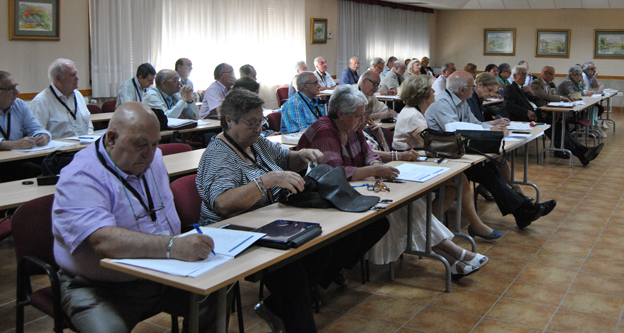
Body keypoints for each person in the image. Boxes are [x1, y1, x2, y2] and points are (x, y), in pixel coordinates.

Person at [53, 102, 218, 332]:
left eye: (154, 144)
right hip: (99, 286)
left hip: (160, 271)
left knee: (216, 291)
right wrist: (172, 246)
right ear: (111, 138)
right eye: (141, 144)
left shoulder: (153, 159)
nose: (149, 154)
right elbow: (102, 241)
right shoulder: (81, 175)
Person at [195, 88, 328, 333]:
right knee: (293, 275)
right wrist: (265, 182)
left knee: (321, 248)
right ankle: (286, 313)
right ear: (229, 121)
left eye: (261, 121)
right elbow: (223, 204)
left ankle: (276, 307)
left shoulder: (257, 143)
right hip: (232, 234)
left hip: (267, 225)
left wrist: (303, 155)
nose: (258, 128)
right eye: (251, 123)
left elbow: (287, 159)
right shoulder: (218, 155)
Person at [426, 71, 557, 230]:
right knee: (487, 171)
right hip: (443, 155)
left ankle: (522, 211)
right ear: (462, 89)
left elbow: (475, 123)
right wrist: (490, 131)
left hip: (456, 150)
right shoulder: (443, 102)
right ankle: (523, 211)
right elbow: (454, 128)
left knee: (490, 168)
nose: (473, 89)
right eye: (471, 86)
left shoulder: (461, 100)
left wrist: (493, 129)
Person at [394, 74, 502, 239]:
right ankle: (433, 229)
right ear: (422, 96)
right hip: (409, 165)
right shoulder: (412, 115)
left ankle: (427, 229)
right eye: (430, 90)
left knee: (456, 185)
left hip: (419, 159)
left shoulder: (416, 112)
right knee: (459, 181)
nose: (434, 93)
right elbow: (431, 143)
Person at [530, 66, 603, 165]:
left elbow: (553, 95)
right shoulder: (536, 83)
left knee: (562, 130)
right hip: (541, 115)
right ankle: (582, 152)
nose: (553, 77)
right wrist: (561, 98)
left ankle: (583, 152)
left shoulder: (547, 84)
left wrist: (567, 97)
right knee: (559, 131)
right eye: (552, 75)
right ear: (545, 73)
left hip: (550, 114)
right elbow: (544, 96)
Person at [0, 71, 51, 182]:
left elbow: (36, 127)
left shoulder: (19, 105)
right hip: (4, 163)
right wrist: (12, 144)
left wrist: (42, 136)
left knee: (51, 167)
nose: (17, 92)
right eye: (10, 89)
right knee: (38, 172)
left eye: (16, 86)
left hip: (17, 158)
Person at [30, 58, 94, 139]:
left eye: (76, 74)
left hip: (84, 146)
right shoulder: (41, 101)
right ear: (58, 78)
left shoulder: (78, 95)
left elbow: (89, 126)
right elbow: (37, 133)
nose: (77, 78)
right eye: (72, 75)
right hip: (59, 150)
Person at [557, 64, 604, 137]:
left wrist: (586, 92)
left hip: (573, 103)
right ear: (570, 74)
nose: (578, 77)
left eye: (580, 75)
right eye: (576, 75)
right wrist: (588, 93)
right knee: (589, 110)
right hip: (563, 106)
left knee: (594, 108)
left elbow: (580, 91)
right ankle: (582, 129)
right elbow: (573, 94)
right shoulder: (568, 82)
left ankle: (584, 129)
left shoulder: (576, 82)